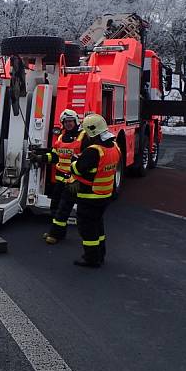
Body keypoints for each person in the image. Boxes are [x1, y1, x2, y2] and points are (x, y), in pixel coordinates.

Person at [68, 113, 121, 268]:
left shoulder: (93, 151)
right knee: (98, 225)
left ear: (91, 132)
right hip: (104, 195)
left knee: (87, 228)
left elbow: (78, 170)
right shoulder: (114, 147)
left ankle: (91, 258)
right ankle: (100, 254)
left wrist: (73, 162)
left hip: (89, 196)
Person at [33, 109, 87, 244]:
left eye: (71, 121)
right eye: (66, 121)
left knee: (64, 209)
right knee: (55, 207)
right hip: (60, 180)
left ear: (76, 121)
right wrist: (40, 157)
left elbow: (87, 160)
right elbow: (55, 156)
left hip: (74, 181)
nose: (68, 124)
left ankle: (55, 235)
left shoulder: (84, 137)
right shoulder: (60, 138)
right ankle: (56, 232)